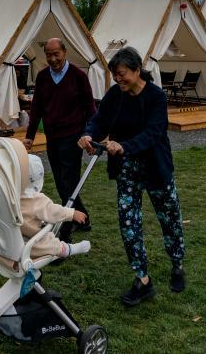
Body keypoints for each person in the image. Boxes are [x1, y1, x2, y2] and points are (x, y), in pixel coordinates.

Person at [78, 46, 186, 307]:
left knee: (169, 217)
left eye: (122, 73)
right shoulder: (115, 95)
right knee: (128, 223)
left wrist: (125, 146)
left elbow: (154, 132)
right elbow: (99, 119)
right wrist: (89, 134)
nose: (118, 79)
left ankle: (177, 264)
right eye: (115, 74)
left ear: (137, 70)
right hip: (126, 170)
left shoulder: (156, 97)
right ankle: (143, 280)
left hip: (156, 167)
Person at [24, 38, 96, 243]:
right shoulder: (42, 77)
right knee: (60, 181)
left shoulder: (78, 76)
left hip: (74, 137)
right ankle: (83, 218)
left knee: (68, 182)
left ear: (65, 52)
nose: (53, 59)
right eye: (49, 55)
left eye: (56, 54)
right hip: (52, 137)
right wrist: (29, 136)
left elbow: (90, 108)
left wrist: (92, 135)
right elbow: (36, 108)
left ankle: (67, 223)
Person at [20, 154, 91, 260]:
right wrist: (72, 214)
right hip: (32, 242)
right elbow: (53, 211)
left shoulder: (8, 197)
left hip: (11, 242)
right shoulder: (36, 200)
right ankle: (68, 249)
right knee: (50, 243)